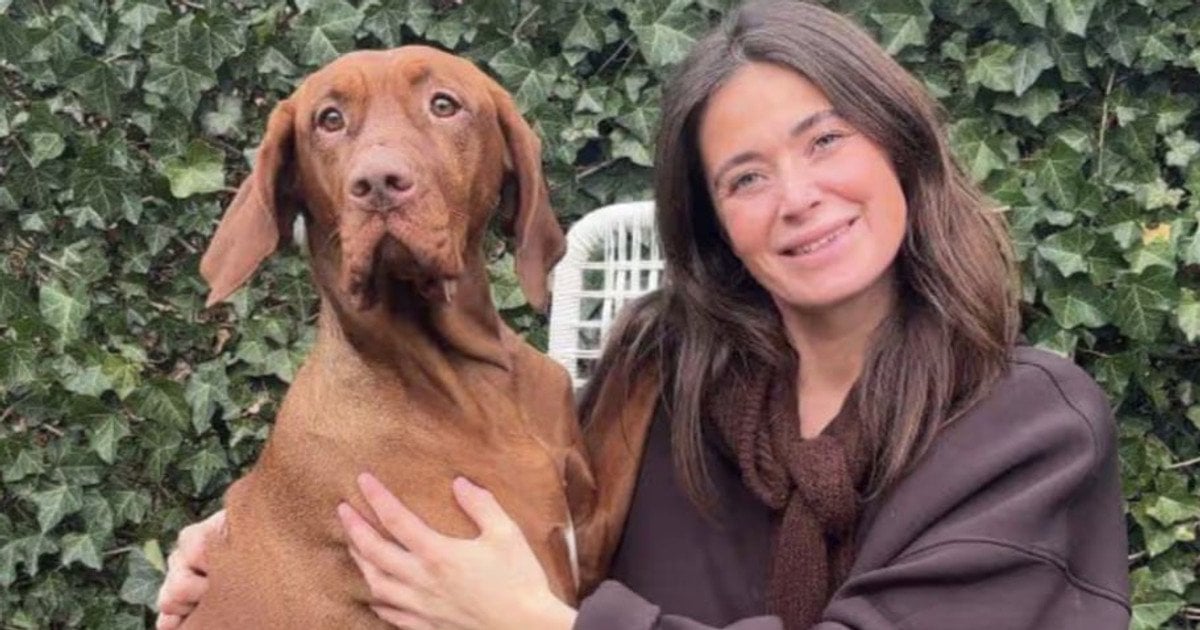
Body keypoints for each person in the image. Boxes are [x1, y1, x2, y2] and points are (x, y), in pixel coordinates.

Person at [155, 2, 1131, 629]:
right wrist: (257, 537)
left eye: (826, 141)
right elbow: (525, 516)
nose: (797, 197)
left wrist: (543, 626)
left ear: (902, 147)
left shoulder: (1029, 429)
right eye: (745, 177)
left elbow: (524, 594)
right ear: (711, 220)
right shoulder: (662, 372)